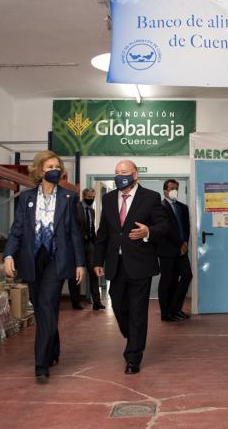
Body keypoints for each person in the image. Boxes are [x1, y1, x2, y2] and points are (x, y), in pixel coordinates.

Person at [2, 150, 85, 383]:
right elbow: (17, 230)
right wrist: (8, 255)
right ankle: (53, 347)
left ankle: (41, 363)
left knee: (47, 304)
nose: (54, 171)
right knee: (41, 308)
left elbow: (74, 234)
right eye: (49, 167)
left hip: (57, 260)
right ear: (39, 171)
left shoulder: (68, 198)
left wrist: (80, 263)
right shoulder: (26, 198)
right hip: (32, 259)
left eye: (56, 166)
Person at [93, 160, 169, 374]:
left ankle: (133, 357)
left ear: (135, 175)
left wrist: (148, 232)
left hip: (140, 264)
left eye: (124, 172)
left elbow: (164, 226)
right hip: (115, 265)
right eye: (116, 172)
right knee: (119, 307)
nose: (120, 176)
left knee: (138, 312)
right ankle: (132, 335)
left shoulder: (151, 198)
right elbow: (104, 233)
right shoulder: (108, 199)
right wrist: (98, 261)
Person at [157, 179, 192, 322]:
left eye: (176, 188)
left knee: (186, 276)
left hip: (182, 250)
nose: (174, 191)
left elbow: (186, 227)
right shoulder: (159, 207)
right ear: (165, 190)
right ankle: (165, 313)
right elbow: (166, 229)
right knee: (167, 281)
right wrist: (179, 243)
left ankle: (175, 309)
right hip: (167, 250)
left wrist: (185, 243)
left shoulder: (183, 207)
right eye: (171, 188)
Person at [76, 188, 105, 310]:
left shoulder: (92, 211)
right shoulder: (76, 208)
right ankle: (75, 301)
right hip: (78, 245)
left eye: (93, 197)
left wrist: (96, 243)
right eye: (89, 197)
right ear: (83, 196)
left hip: (90, 244)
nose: (91, 199)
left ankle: (97, 301)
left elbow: (92, 227)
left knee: (94, 272)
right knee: (76, 275)